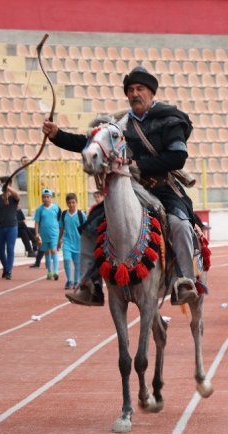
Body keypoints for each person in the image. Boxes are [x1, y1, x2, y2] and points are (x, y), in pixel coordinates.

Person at [43, 66, 202, 306]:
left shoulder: (170, 119)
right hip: (130, 189)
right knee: (89, 227)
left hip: (161, 187)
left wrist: (139, 163)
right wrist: (57, 135)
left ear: (151, 93)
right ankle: (90, 285)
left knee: (180, 224)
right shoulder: (117, 124)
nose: (135, 94)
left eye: (140, 89)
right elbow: (90, 144)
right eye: (130, 90)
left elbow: (177, 158)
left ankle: (184, 281)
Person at [0, 184, 20, 280]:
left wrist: (8, 188)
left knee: (10, 249)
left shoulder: (13, 198)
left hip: (12, 226)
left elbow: (17, 195)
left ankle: (8, 271)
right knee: (0, 250)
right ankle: (5, 267)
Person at [58, 193, 85, 289]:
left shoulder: (81, 215)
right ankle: (69, 280)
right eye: (69, 203)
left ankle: (76, 281)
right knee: (66, 260)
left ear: (76, 202)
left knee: (77, 263)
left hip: (78, 243)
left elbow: (86, 229)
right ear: (66, 203)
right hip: (67, 242)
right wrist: (59, 240)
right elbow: (61, 229)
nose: (71, 204)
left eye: (73, 202)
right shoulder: (64, 214)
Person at [34, 188, 61, 280]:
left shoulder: (56, 208)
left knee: (54, 250)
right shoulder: (39, 209)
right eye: (44, 197)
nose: (46, 198)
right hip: (44, 233)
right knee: (47, 252)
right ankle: (49, 271)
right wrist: (37, 233)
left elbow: (60, 220)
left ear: (51, 198)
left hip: (54, 232)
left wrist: (61, 233)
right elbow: (37, 222)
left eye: (48, 197)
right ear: (42, 198)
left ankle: (56, 271)